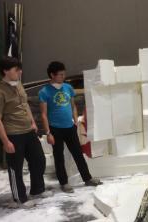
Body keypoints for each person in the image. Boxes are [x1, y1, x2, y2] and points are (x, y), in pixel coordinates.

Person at [0, 57, 49, 206]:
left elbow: (25, 105)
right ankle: (19, 198)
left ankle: (37, 190)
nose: (20, 72)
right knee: (15, 168)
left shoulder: (18, 85)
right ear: (5, 71)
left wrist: (32, 122)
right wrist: (5, 141)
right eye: (16, 69)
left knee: (39, 160)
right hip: (13, 134)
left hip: (28, 130)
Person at [39, 61, 102, 193]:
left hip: (70, 127)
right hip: (55, 128)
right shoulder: (44, 92)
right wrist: (48, 132)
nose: (63, 76)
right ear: (52, 75)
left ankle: (87, 178)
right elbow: (43, 114)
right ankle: (64, 182)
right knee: (58, 156)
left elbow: (73, 105)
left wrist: (75, 120)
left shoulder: (68, 88)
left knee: (78, 153)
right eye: (60, 74)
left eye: (64, 74)